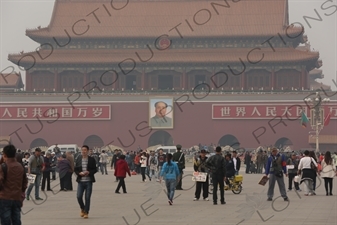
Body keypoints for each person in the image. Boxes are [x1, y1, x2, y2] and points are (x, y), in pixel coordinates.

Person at [0, 144, 28, 225]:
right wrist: (21, 192)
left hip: (4, 198)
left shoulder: (3, 166)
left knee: (6, 221)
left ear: (4, 155)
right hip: (17, 198)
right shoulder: (20, 166)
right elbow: (24, 182)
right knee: (16, 220)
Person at [74, 145, 97, 219]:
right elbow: (75, 169)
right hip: (81, 181)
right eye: (82, 150)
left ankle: (86, 212)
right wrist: (79, 173)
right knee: (79, 196)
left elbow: (95, 169)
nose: (83, 151)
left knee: (87, 197)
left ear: (87, 151)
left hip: (88, 181)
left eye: (85, 150)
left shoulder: (91, 159)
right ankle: (83, 208)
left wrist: (89, 172)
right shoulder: (78, 159)